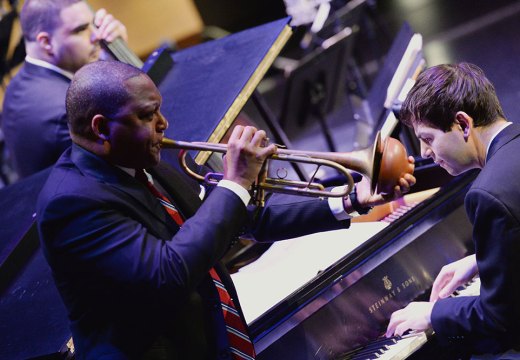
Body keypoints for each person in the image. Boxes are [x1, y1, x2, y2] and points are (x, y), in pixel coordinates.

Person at [37, 60, 415, 359]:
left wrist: (350, 201)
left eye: (159, 111)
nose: (163, 124)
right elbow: (169, 272)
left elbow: (241, 219)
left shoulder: (142, 161)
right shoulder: (72, 204)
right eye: (147, 116)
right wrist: (236, 182)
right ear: (101, 128)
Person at [385, 62, 520, 356]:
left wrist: (433, 314)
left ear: (463, 124)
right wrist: (480, 260)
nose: (424, 154)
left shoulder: (487, 193)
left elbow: (499, 318)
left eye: (428, 138)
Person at [1, 0, 127, 179]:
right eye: (81, 29)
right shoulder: (68, 112)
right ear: (46, 42)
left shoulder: (20, 84)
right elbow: (127, 163)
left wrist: (113, 53)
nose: (96, 36)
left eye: (94, 24)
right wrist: (120, 62)